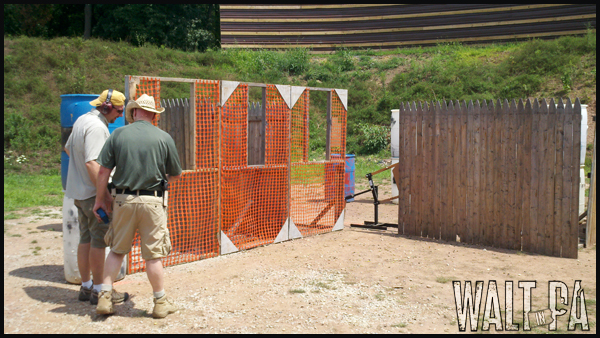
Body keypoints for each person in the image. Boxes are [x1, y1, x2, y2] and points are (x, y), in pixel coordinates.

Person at [93, 93, 182, 318]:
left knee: (116, 250)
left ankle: (104, 297)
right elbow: (175, 174)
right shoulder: (164, 138)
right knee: (153, 256)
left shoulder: (118, 135)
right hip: (153, 201)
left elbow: (103, 171)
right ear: (153, 114)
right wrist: (161, 183)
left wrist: (100, 199)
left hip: (122, 200)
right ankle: (160, 302)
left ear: (133, 112)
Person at [64, 89, 129, 305]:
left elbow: (68, 150)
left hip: (79, 193)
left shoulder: (83, 120)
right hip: (93, 195)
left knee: (85, 239)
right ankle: (101, 291)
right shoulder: (97, 127)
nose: (119, 116)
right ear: (108, 108)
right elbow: (93, 163)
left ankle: (86, 286)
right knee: (99, 241)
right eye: (119, 111)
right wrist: (104, 196)